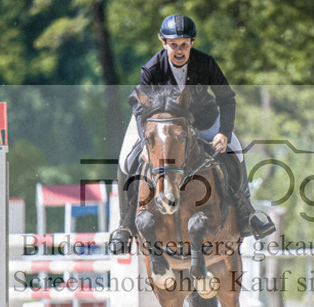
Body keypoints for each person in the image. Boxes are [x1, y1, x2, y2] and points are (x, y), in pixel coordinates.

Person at [109, 14, 275, 254]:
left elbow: (227, 100)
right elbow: (138, 106)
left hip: (204, 119)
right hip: (159, 125)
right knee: (126, 158)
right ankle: (124, 225)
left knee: (236, 150)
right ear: (163, 42)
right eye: (173, 45)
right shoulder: (152, 68)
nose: (179, 50)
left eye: (184, 45)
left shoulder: (206, 63)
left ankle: (246, 212)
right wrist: (146, 143)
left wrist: (224, 134)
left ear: (192, 44)